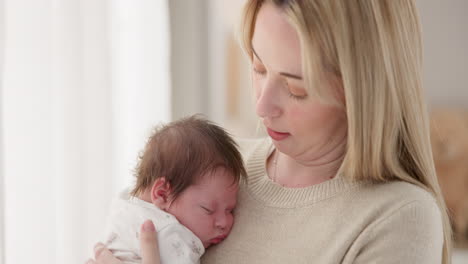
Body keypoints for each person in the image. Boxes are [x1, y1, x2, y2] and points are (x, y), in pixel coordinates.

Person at [89, 0, 452, 263]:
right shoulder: (208, 167)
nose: (261, 107)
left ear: (362, 92)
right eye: (259, 67)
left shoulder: (397, 218)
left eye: (296, 89)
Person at [96, 115, 246, 264]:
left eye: (230, 210)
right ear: (162, 194)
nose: (224, 222)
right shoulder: (172, 236)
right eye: (208, 209)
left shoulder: (124, 205)